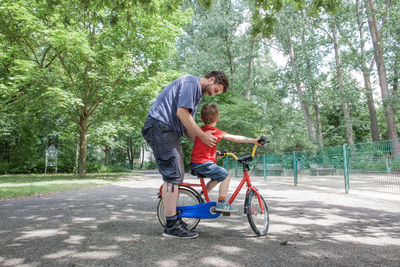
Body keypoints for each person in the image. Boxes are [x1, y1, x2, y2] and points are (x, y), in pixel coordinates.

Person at [141, 71, 229, 239]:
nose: (214, 95)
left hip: (168, 130)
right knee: (173, 175)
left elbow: (188, 126)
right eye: (216, 90)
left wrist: (206, 146)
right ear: (211, 80)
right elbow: (182, 114)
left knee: (176, 174)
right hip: (161, 126)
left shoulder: (195, 95)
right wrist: (203, 136)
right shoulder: (191, 83)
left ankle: (173, 219)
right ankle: (171, 225)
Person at [190, 103, 260, 213]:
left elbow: (201, 147)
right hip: (204, 163)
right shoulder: (215, 132)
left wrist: (214, 152)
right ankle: (222, 203)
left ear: (202, 118)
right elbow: (236, 138)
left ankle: (201, 196)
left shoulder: (201, 130)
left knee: (218, 177)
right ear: (217, 118)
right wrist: (254, 140)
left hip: (196, 163)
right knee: (226, 176)